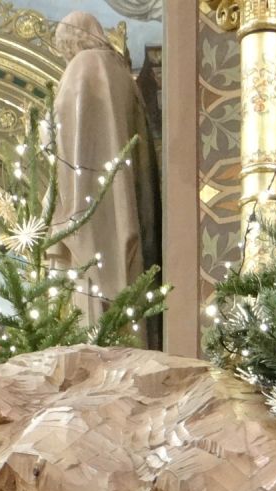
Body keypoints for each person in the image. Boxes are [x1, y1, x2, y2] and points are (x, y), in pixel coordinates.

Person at [53, 12, 159, 342]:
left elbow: (72, 152)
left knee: (89, 299)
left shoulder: (82, 71)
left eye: (63, 42)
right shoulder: (120, 74)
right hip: (124, 206)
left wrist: (59, 209)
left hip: (88, 212)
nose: (65, 50)